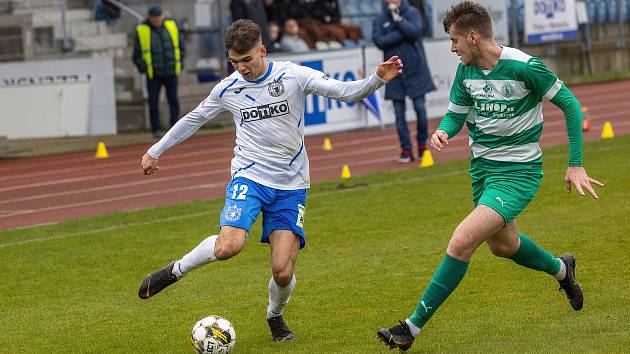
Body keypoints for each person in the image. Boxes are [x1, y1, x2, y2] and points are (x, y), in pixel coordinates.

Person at [137, 19, 402, 343]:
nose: (242, 68)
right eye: (235, 62)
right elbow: (194, 119)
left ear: (262, 50)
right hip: (249, 175)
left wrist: (376, 79)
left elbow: (343, 92)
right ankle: (175, 270)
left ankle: (274, 315)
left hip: (291, 184)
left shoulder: (292, 75)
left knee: (282, 270)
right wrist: (155, 151)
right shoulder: (228, 89)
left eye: (247, 59)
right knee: (228, 246)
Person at [377, 2, 603, 350]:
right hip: (482, 171)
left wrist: (575, 163)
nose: (452, 48)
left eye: (454, 41)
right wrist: (442, 132)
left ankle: (410, 328)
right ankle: (562, 269)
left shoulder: (523, 66)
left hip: (518, 173)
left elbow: (570, 104)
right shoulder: (466, 72)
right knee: (504, 246)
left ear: (473, 37)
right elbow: (456, 115)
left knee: (461, 241)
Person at [373, 0, 435, 163]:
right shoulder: (379, 19)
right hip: (393, 72)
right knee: (399, 114)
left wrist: (398, 21)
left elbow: (415, 32)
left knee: (420, 108)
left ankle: (422, 144)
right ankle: (406, 148)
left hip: (416, 69)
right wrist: (401, 33)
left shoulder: (412, 13)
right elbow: (379, 41)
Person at [133, 6, 185, 138]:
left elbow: (180, 46)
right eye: (154, 17)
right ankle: (156, 129)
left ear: (162, 16)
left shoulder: (171, 26)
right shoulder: (142, 30)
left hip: (171, 71)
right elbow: (137, 55)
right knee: (153, 101)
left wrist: (180, 63)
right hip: (154, 74)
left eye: (159, 16)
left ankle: (175, 126)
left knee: (173, 99)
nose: (157, 19)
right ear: (150, 18)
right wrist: (143, 68)